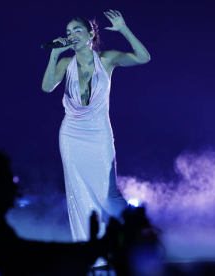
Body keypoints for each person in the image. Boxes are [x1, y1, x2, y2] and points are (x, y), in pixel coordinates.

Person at [41, 10, 150, 243]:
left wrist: (123, 29)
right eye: (68, 31)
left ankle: (138, 236)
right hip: (71, 134)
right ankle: (92, 253)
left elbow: (143, 58)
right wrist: (54, 55)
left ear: (91, 34)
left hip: (98, 133)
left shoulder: (107, 59)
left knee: (108, 194)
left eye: (77, 30)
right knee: (79, 194)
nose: (72, 35)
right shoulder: (65, 62)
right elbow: (47, 87)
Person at [0, 151, 116, 276]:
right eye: (11, 180)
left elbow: (31, 253)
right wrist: (89, 249)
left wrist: (87, 248)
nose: (16, 187)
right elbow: (30, 257)